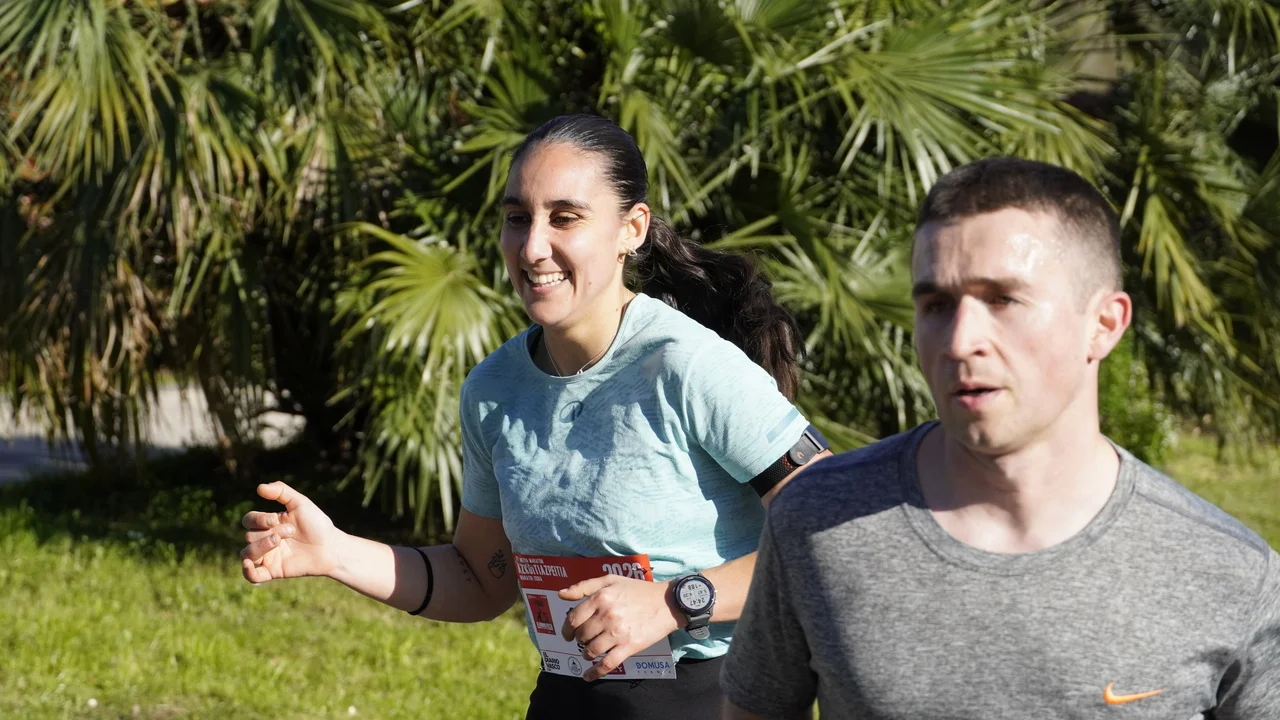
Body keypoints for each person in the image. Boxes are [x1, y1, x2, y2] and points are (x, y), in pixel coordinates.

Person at [238, 114, 831, 719]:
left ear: (631, 229)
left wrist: (675, 601)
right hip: (565, 701)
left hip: (715, 701)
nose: (532, 247)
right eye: (518, 217)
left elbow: (832, 532)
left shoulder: (687, 365)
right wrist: (335, 552)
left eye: (565, 218)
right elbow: (480, 578)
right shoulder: (493, 388)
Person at [719, 157, 1280, 719]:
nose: (960, 340)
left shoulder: (1229, 572)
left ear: (1104, 325)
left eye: (1003, 300)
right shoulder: (816, 521)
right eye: (936, 305)